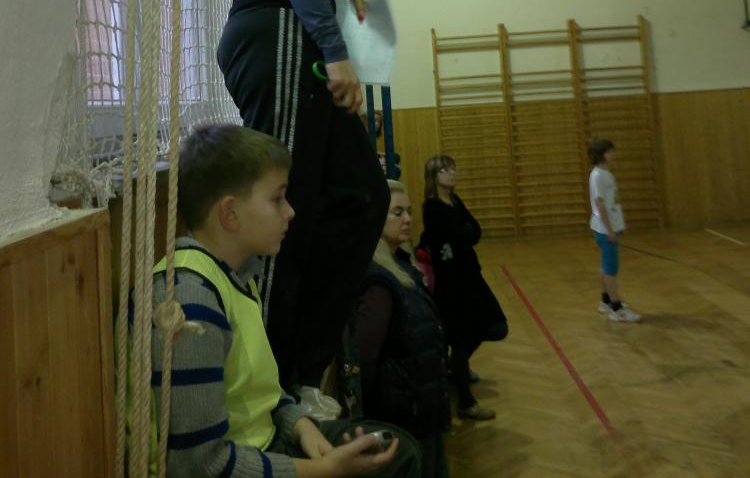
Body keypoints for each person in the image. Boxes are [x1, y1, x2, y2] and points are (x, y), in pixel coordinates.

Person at [217, 0, 389, 415]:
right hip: (279, 37)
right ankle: (272, 391)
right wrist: (335, 51)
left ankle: (299, 372)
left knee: (361, 195)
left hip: (289, 37)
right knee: (286, 212)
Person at [135, 123, 421, 478]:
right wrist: (324, 471)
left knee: (398, 451)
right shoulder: (190, 298)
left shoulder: (238, 276)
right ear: (230, 213)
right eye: (277, 199)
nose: (290, 212)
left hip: (266, 446)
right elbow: (198, 465)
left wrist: (301, 425)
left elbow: (262, 395)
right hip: (241, 463)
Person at [356, 180, 451, 478]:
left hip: (423, 409)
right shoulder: (379, 283)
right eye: (397, 213)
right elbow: (365, 362)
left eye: (409, 211)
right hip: (405, 419)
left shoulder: (401, 267)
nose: (408, 219)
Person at [420, 155, 507, 422]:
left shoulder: (455, 201)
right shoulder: (432, 207)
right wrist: (462, 233)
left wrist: (462, 234)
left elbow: (474, 231)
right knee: (460, 338)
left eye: (453, 168)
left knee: (496, 326)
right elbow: (455, 236)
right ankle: (466, 402)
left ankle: (456, 365)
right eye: (445, 169)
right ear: (434, 176)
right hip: (452, 284)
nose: (452, 172)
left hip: (471, 276)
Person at [588, 138, 642, 323]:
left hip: (609, 227)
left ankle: (606, 302)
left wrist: (618, 226)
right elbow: (599, 204)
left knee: (606, 266)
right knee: (610, 269)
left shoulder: (606, 173)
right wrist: (610, 230)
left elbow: (612, 203)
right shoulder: (598, 175)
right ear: (601, 154)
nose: (613, 154)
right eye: (609, 151)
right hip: (605, 229)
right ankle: (617, 309)